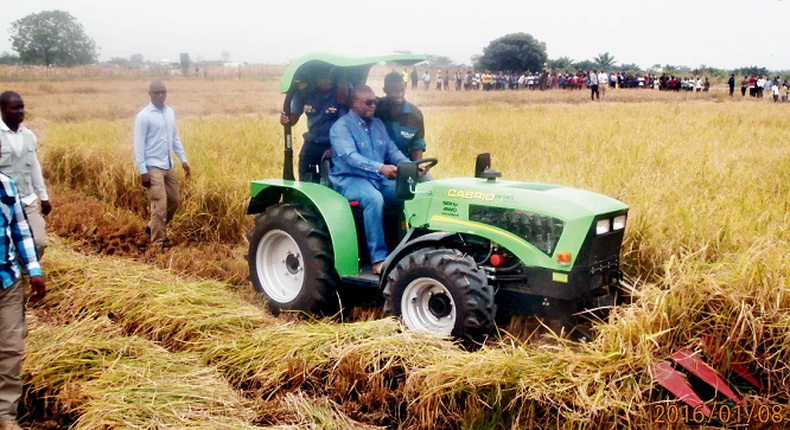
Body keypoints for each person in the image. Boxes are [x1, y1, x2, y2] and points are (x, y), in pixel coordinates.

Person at [329, 85, 409, 275]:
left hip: (376, 179)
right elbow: (350, 157)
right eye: (369, 102)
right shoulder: (341, 127)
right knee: (373, 199)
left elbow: (392, 150)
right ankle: (379, 259)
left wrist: (409, 166)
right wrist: (380, 168)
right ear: (355, 103)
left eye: (376, 101)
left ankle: (407, 251)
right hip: (349, 179)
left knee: (408, 194)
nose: (374, 105)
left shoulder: (378, 125)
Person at [0, 157, 45, 430]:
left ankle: (5, 414)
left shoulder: (7, 186)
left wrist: (33, 268)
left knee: (11, 346)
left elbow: (20, 229)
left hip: (7, 280)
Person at [134, 81, 191, 249]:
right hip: (152, 167)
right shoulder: (144, 116)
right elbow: (138, 145)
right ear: (149, 94)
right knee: (160, 206)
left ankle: (152, 227)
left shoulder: (170, 113)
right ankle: (157, 244)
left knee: (174, 200)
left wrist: (183, 160)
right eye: (156, 93)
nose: (160, 95)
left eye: (163, 92)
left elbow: (174, 138)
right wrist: (143, 171)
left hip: (168, 164)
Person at [0, 92, 51, 258]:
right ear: (2, 109)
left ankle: (25, 271)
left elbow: (34, 167)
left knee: (39, 242)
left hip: (26, 200)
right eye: (15, 108)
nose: (20, 111)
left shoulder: (29, 136)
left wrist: (43, 197)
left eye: (22, 107)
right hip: (3, 203)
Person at [280, 66, 350, 182]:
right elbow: (293, 118)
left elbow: (345, 125)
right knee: (305, 173)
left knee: (331, 180)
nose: (329, 80)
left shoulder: (339, 95)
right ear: (315, 78)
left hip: (332, 143)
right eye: (325, 77)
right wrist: (285, 119)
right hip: (312, 141)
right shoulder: (305, 93)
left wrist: (335, 148)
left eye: (331, 77)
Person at [376, 72, 429, 164]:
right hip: (379, 165)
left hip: (405, 164)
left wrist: (417, 167)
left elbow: (417, 144)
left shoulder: (415, 115)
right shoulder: (376, 109)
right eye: (394, 91)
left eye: (402, 90)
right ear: (385, 90)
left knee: (428, 178)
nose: (399, 94)